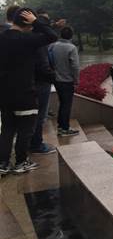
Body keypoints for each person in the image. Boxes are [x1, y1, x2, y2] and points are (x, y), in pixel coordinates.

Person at [0, 8, 57, 174]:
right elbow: (52, 36)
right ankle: (21, 162)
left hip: (4, 94)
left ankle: (3, 163)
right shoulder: (27, 39)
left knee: (7, 129)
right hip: (25, 92)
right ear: (27, 23)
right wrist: (36, 21)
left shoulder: (2, 37)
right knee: (25, 129)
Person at [30, 10, 62, 154]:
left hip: (30, 81)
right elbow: (43, 65)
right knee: (40, 115)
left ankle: (30, 142)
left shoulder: (25, 38)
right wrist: (54, 77)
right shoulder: (39, 42)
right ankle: (36, 144)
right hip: (41, 82)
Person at [50, 26, 80, 137]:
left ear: (60, 34)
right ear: (71, 36)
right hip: (67, 81)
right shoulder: (71, 48)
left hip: (56, 80)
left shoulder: (53, 46)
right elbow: (75, 66)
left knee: (62, 103)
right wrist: (76, 80)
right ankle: (64, 129)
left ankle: (60, 126)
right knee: (66, 105)